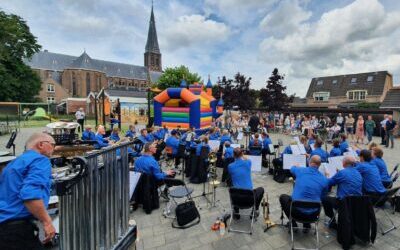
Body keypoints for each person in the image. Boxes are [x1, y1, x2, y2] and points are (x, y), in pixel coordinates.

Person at [0, 133, 56, 249]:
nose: (54, 149)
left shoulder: (13, 164)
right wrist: (47, 222)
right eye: (52, 145)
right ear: (41, 145)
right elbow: (30, 195)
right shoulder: (40, 160)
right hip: (17, 230)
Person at [279, 156, 328, 231]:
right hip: (313, 215)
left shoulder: (301, 170)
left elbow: (292, 169)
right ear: (319, 165)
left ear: (309, 162)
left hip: (296, 212)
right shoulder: (324, 179)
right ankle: (306, 224)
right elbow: (323, 197)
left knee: (283, 197)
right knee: (312, 200)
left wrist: (296, 166)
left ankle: (293, 223)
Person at [322, 156, 362, 229]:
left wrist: (327, 176)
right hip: (358, 202)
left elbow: (329, 183)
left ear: (344, 164)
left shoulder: (342, 172)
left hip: (344, 203)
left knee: (325, 199)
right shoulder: (358, 173)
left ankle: (333, 221)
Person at [228, 148, 264, 217]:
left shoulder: (230, 166)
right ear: (242, 154)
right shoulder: (248, 162)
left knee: (233, 187)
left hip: (236, 199)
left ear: (233, 155)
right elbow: (246, 159)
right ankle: (255, 210)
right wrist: (243, 156)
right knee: (261, 189)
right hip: (249, 200)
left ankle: (236, 211)